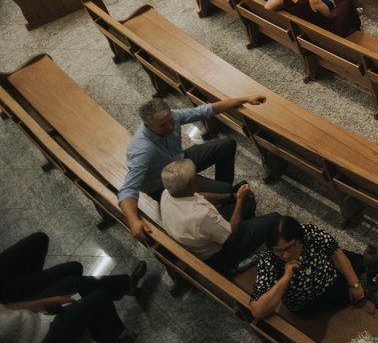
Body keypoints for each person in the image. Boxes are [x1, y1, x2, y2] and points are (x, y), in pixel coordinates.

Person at [117, 94, 266, 244]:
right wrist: (134, 221)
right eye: (163, 126)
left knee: (227, 145)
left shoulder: (171, 116)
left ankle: (221, 195)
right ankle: (223, 199)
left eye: (171, 121)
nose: (170, 127)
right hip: (164, 185)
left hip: (180, 161)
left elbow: (205, 111)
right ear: (148, 126)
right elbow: (128, 189)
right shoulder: (142, 151)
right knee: (225, 190)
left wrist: (244, 99)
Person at [250, 216, 378, 320]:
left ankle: (371, 292)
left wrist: (354, 284)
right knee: (364, 291)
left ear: (299, 239)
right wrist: (285, 278)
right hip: (314, 298)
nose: (285, 255)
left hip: (330, 269)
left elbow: (335, 252)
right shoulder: (269, 260)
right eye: (279, 250)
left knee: (370, 263)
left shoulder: (308, 232)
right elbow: (257, 310)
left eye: (290, 247)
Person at [0, 232, 146, 343]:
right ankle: (115, 335)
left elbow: (6, 309)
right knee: (91, 294)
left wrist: (45, 302)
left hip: (23, 312)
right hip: (40, 336)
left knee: (73, 271)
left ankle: (127, 286)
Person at [160, 159, 281, 275]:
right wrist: (240, 199)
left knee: (248, 202)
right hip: (218, 255)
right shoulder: (201, 215)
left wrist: (233, 196)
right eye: (195, 175)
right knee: (275, 218)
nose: (197, 176)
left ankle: (250, 233)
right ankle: (241, 260)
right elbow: (230, 235)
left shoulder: (168, 193)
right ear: (191, 183)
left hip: (200, 237)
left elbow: (200, 196)